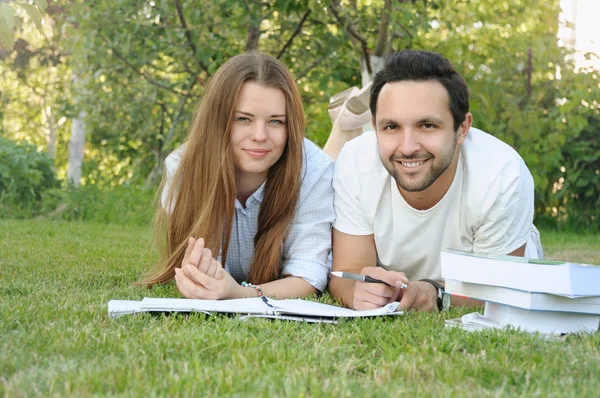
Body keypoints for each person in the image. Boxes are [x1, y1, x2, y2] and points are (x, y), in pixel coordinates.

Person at [326, 50, 543, 312]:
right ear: (374, 128)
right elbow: (346, 272)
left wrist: (433, 292)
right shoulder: (355, 163)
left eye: (427, 125)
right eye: (391, 127)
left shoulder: (502, 174)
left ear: (462, 128)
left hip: (487, 278)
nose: (407, 147)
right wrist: (359, 291)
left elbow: (496, 288)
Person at [138, 52, 335, 300]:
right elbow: (203, 270)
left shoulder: (315, 171)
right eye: (243, 119)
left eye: (276, 122)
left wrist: (240, 294)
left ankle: (344, 127)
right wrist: (205, 281)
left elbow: (308, 276)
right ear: (218, 121)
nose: (260, 135)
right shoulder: (184, 168)